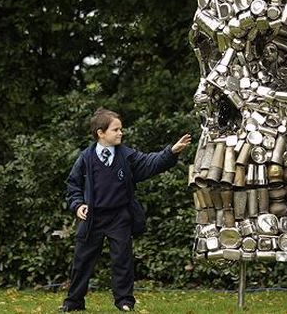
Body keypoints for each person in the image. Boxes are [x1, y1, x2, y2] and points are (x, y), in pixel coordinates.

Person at [59, 108, 191, 312]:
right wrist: (77, 205)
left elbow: (150, 162)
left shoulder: (127, 155)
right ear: (100, 133)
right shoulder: (85, 158)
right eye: (116, 130)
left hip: (119, 217)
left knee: (122, 261)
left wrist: (170, 152)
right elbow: (73, 185)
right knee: (82, 261)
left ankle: (124, 301)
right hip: (92, 218)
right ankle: (74, 302)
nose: (121, 133)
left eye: (121, 129)